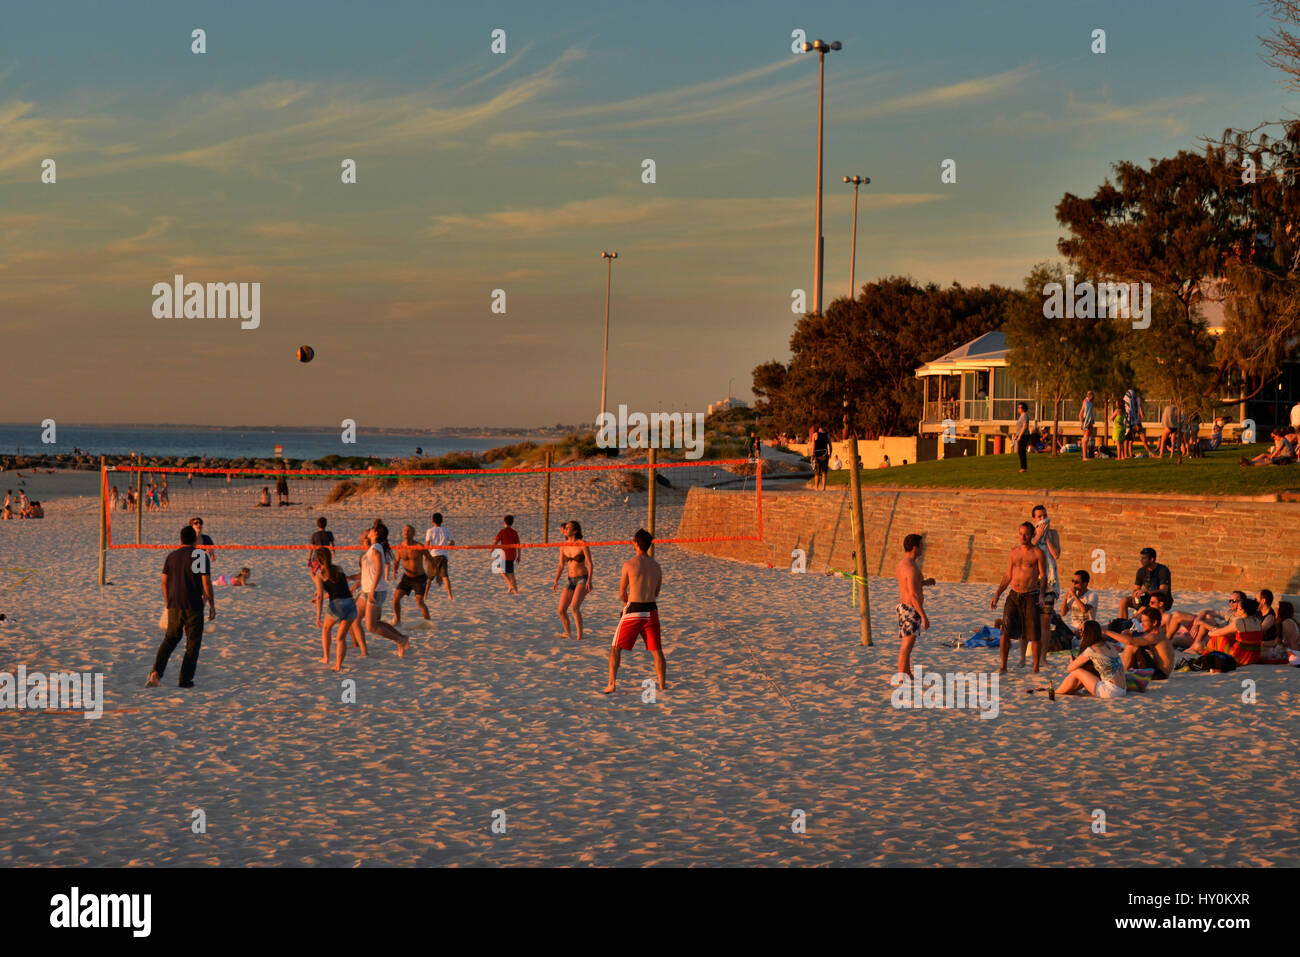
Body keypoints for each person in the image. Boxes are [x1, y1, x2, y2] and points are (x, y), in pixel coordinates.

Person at [146, 524, 215, 688]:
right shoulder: (199, 555)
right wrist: (212, 604)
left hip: (175, 604)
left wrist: (168, 602)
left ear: (180, 539)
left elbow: (164, 582)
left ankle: (156, 672)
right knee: (193, 643)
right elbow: (205, 582)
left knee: (170, 640)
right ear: (195, 540)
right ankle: (185, 680)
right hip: (194, 606)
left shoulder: (172, 556)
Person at [604, 529, 666, 694]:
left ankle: (612, 683)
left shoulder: (629, 564)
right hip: (652, 610)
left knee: (615, 648)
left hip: (634, 610)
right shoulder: (657, 566)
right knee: (656, 650)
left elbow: (622, 593)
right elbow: (657, 593)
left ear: (635, 544)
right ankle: (661, 685)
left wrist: (626, 602)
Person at [990, 521, 1048, 673]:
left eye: (1026, 534)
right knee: (1005, 630)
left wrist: (1042, 595)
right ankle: (1003, 666)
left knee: (1034, 634)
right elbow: (1008, 574)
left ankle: (1035, 668)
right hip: (1014, 595)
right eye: (1020, 533)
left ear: (1032, 535)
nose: (1022, 536)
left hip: (1031, 596)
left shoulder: (1037, 553)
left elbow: (1043, 576)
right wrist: (997, 594)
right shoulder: (1013, 552)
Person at [357, 525, 409, 654]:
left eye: (372, 529)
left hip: (375, 591)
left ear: (376, 534)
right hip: (366, 590)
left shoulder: (375, 549)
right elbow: (369, 570)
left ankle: (399, 639)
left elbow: (380, 570)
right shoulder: (373, 548)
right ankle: (402, 637)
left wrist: (373, 590)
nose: (369, 529)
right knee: (355, 618)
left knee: (371, 626)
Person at [895, 533, 934, 678]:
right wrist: (924, 616)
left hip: (905, 607)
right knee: (906, 646)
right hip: (910, 609)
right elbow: (913, 595)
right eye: (921, 546)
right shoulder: (910, 568)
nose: (923, 548)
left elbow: (910, 585)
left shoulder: (903, 564)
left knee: (908, 645)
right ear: (915, 547)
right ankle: (901, 676)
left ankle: (907, 673)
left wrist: (925, 582)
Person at [1055, 621, 1126, 699]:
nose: (1080, 633)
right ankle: (1068, 691)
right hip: (1122, 690)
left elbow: (1070, 668)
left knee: (1077, 671)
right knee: (1084, 673)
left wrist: (1073, 662)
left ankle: (1057, 692)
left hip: (1110, 691)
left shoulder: (1092, 650)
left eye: (1081, 630)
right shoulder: (1109, 645)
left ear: (1086, 633)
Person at [314, 547, 358, 671]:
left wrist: (318, 616)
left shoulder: (320, 575)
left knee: (326, 629)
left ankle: (326, 657)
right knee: (340, 638)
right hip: (350, 604)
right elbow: (339, 589)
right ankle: (338, 666)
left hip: (337, 605)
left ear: (318, 561)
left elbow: (320, 597)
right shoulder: (339, 569)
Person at [1189, 594, 1263, 666]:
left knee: (1217, 639)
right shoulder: (1257, 620)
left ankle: (1204, 658)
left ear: (1242, 610)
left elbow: (1218, 633)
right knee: (1229, 637)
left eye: (1238, 608)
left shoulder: (1240, 622)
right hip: (1254, 657)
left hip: (1241, 658)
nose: (1236, 609)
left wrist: (1210, 633)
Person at [1109, 605, 1175, 679]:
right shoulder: (1156, 634)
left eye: (1145, 621)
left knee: (1131, 646)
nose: (1142, 624)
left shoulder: (1155, 636)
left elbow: (1130, 641)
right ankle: (1122, 673)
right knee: (1135, 645)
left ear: (1154, 623)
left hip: (1160, 674)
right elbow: (1140, 639)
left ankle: (1120, 676)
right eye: (1141, 621)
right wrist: (1130, 634)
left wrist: (1107, 632)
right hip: (1158, 670)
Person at [553, 520, 594, 640]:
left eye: (568, 527)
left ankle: (580, 637)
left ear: (575, 531)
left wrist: (589, 580)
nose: (565, 529)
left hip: (582, 578)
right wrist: (556, 580)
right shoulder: (563, 546)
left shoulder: (582, 544)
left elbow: (590, 564)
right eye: (565, 527)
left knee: (574, 607)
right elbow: (561, 565)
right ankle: (568, 633)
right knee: (561, 610)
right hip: (570, 579)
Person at [1030, 505, 1060, 641]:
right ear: (1034, 519)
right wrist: (1038, 536)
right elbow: (1027, 552)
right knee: (1031, 619)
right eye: (1039, 517)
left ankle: (1043, 656)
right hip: (1033, 582)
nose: (1043, 519)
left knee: (1046, 619)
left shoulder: (1053, 533)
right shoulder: (1030, 534)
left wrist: (1047, 537)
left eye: (1045, 516)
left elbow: (1056, 554)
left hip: (1049, 582)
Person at [392, 525, 431, 625]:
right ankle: (398, 620)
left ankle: (428, 623)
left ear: (413, 534)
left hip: (420, 578)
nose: (406, 532)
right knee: (396, 598)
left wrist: (437, 575)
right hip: (407, 578)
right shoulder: (400, 547)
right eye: (404, 530)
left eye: (408, 531)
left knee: (419, 601)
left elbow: (431, 559)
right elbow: (397, 561)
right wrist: (394, 569)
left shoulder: (419, 546)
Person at [1119, 547, 1172, 618]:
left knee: (1141, 612)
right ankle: (1122, 623)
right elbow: (1136, 588)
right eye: (1141, 558)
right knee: (1124, 601)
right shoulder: (1141, 571)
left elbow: (1163, 591)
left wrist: (1147, 592)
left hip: (1160, 601)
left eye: (1144, 558)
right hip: (1146, 599)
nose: (1141, 560)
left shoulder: (1162, 570)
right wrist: (1135, 594)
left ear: (1151, 559)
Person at [423, 512, 455, 601]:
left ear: (432, 521)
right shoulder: (446, 530)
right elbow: (452, 542)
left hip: (433, 556)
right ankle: (449, 594)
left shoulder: (430, 531)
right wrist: (448, 546)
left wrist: (425, 556)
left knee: (429, 578)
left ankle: (425, 595)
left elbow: (427, 545)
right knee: (445, 576)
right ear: (442, 521)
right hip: (443, 556)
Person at [1061, 569, 1097, 638]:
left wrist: (1074, 595)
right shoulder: (1072, 595)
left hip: (1086, 628)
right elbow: (1063, 613)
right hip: (1073, 627)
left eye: (1077, 582)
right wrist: (1065, 599)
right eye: (1073, 581)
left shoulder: (1092, 595)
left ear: (1085, 584)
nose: (1074, 584)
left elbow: (1084, 610)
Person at [493, 515, 521, 595]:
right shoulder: (514, 532)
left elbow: (495, 542)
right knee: (502, 569)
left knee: (509, 572)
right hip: (512, 555)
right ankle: (511, 586)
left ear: (504, 522)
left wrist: (492, 548)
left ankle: (514, 589)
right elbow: (519, 545)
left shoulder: (502, 531)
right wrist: (519, 556)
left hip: (505, 555)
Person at [1013, 402, 1031, 473]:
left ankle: (1023, 468)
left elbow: (1024, 426)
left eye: (1019, 407)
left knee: (1022, 452)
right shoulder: (1021, 416)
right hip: (1020, 435)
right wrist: (1016, 435)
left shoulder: (1024, 416)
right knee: (1020, 452)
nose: (1018, 409)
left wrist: (1020, 436)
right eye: (1018, 407)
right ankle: (1023, 467)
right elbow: (1019, 427)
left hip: (1024, 435)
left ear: (1023, 408)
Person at [812, 425, 831, 490]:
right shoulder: (827, 435)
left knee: (817, 473)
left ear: (818, 427)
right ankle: (823, 487)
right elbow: (830, 446)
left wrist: (812, 455)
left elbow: (813, 446)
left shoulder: (815, 435)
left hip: (817, 455)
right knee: (824, 473)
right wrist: (830, 454)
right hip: (825, 455)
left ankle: (816, 487)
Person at [1078, 390, 1095, 460]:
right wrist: (1083, 424)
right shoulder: (1086, 402)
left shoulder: (1090, 403)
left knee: (1087, 440)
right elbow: (1080, 414)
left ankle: (1085, 455)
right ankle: (1084, 457)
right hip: (1086, 424)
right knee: (1085, 440)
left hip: (1090, 423)